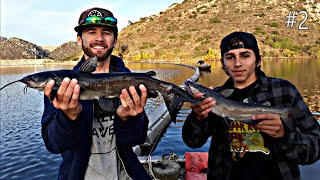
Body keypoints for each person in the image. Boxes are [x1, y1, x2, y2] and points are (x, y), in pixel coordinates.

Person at [182, 31, 320, 180]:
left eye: (245, 55)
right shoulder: (213, 97)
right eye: (230, 57)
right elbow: (192, 142)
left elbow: (315, 149)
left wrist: (284, 136)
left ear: (258, 60)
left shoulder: (285, 91)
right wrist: (197, 118)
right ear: (222, 63)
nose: (237, 63)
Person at [41, 7, 151, 180]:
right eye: (91, 32)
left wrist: (128, 119)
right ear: (79, 39)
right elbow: (54, 145)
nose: (99, 38)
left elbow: (138, 138)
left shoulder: (130, 83)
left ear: (115, 40)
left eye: (106, 32)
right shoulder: (61, 87)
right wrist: (68, 117)